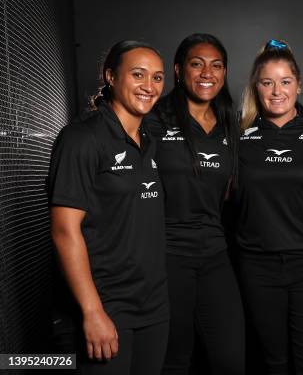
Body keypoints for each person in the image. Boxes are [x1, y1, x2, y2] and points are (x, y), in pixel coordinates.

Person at [48, 40, 169, 374]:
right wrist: (92, 311)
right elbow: (63, 230)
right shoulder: (81, 138)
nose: (149, 86)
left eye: (157, 78)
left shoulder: (150, 141)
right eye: (138, 74)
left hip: (153, 308)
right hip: (105, 308)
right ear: (111, 77)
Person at [234, 39, 303, 375]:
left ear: (299, 85)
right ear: (256, 87)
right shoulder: (238, 134)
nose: (276, 91)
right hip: (257, 266)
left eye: (285, 81)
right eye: (267, 82)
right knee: (272, 362)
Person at [144, 33, 244, 375]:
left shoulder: (231, 121)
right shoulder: (153, 120)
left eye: (216, 66)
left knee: (230, 359)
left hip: (215, 254)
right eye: (196, 64)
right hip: (168, 257)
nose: (207, 73)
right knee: (174, 359)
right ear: (178, 70)